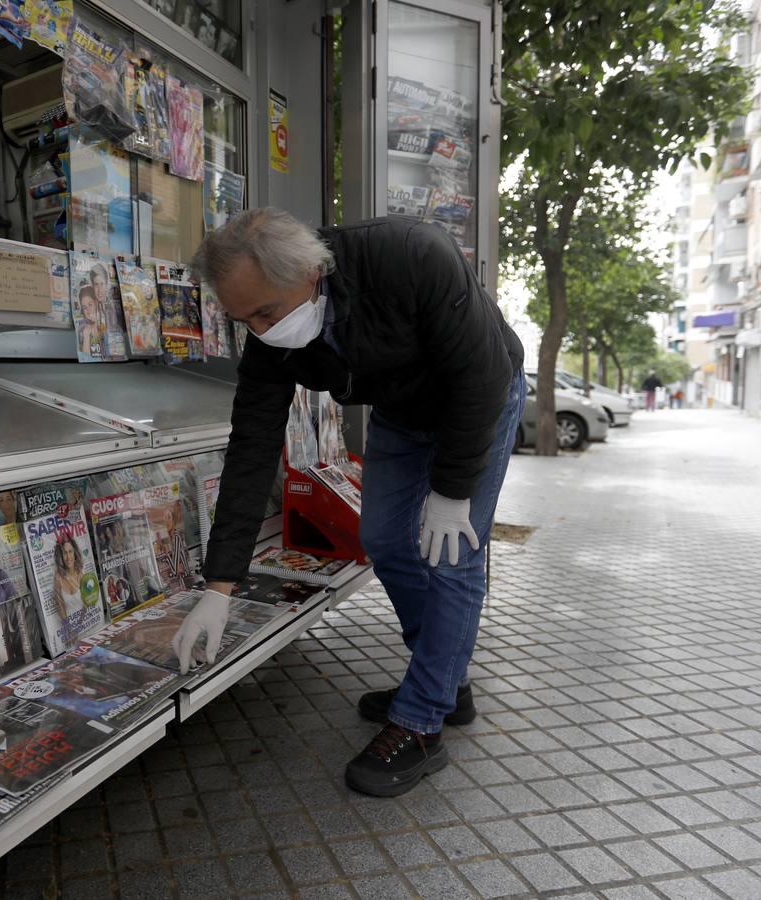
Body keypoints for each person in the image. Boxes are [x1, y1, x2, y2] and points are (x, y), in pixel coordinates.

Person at [172, 210, 524, 798]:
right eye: (243, 320)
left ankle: (421, 721)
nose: (258, 331)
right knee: (384, 538)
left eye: (265, 312)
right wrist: (219, 585)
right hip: (400, 411)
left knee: (452, 554)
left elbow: (480, 375)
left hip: (479, 397)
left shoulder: (411, 254)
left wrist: (452, 492)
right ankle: (443, 673)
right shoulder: (268, 339)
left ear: (311, 273)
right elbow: (252, 448)